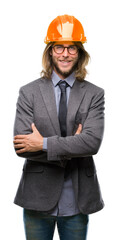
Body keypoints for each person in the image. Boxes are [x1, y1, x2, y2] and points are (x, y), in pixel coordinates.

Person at [13, 14, 105, 240]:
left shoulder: (94, 94)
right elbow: (21, 147)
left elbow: (92, 142)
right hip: (37, 198)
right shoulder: (29, 92)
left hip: (77, 200)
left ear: (80, 53)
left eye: (72, 48)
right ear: (50, 51)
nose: (65, 54)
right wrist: (72, 147)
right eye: (59, 47)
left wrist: (42, 143)